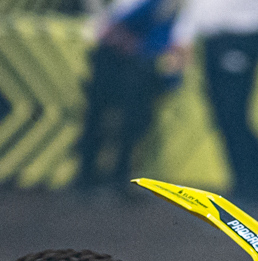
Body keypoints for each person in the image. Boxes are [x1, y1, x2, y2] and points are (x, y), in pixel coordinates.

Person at [166, 0, 258, 204]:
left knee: (234, 115)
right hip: (215, 41)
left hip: (240, 37)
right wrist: (183, 38)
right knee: (225, 116)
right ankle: (247, 188)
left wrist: (184, 36)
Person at [75, 0, 181, 192]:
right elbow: (109, 28)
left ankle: (118, 179)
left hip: (139, 63)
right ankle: (88, 177)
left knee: (131, 124)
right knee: (99, 119)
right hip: (116, 60)